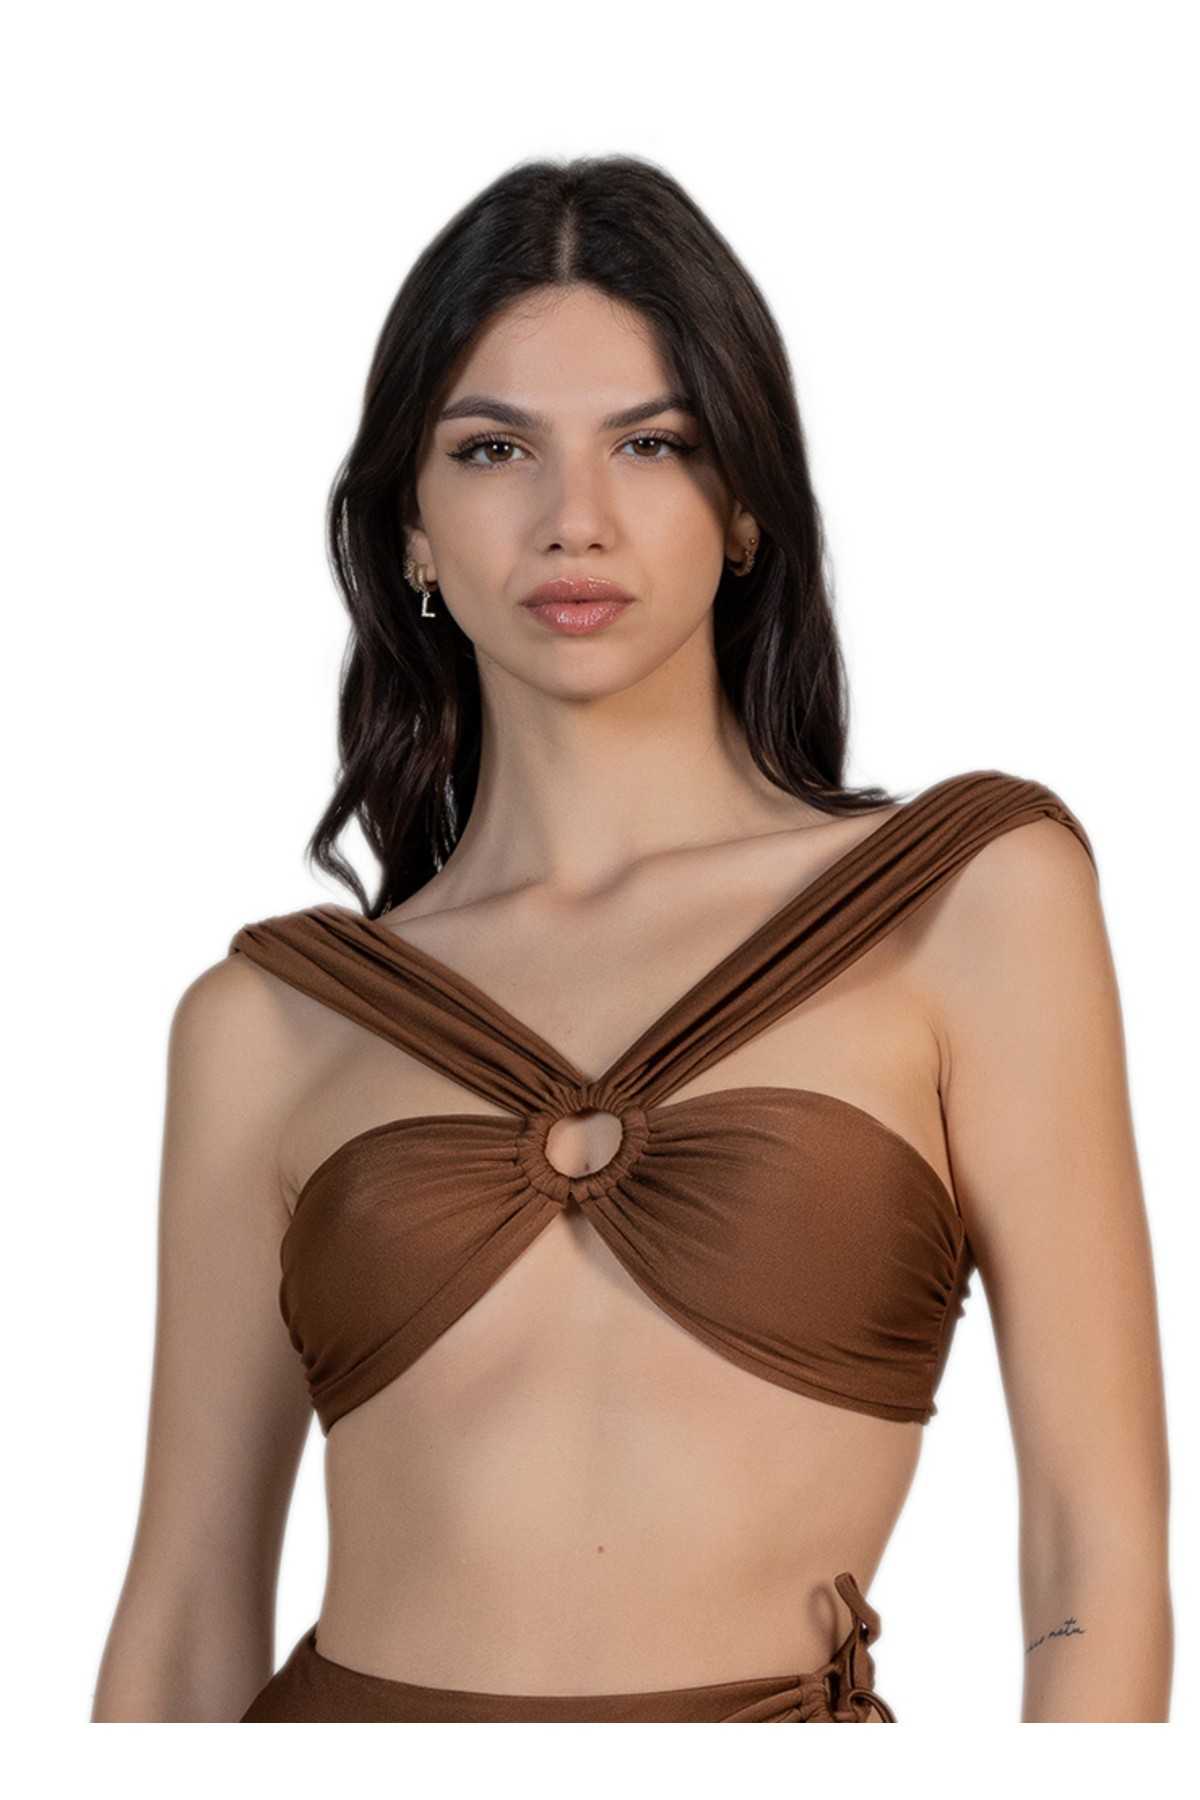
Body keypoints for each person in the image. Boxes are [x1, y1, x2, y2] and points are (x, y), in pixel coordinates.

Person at [91, 155, 1171, 1723]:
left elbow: (1095, 1551)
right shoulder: (267, 1019)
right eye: (494, 449)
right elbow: (186, 1606)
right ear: (410, 529)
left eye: (652, 444)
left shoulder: (970, 901)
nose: (573, 521)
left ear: (744, 506)